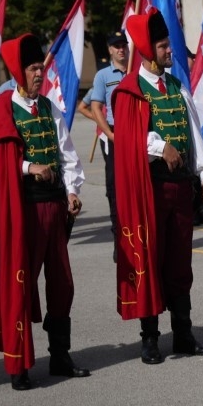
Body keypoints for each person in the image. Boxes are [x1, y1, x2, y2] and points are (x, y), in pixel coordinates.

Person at [0, 34, 89, 390]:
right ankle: (19, 365)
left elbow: (67, 153)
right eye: (33, 68)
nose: (40, 74)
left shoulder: (50, 107)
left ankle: (60, 355)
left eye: (41, 67)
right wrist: (30, 168)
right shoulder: (2, 108)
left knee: (62, 284)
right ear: (18, 71)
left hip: (54, 209)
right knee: (21, 286)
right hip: (23, 212)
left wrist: (72, 191)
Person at [113, 10, 203, 364]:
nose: (169, 50)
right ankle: (150, 338)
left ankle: (183, 334)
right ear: (146, 51)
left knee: (179, 263)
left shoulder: (176, 87)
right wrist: (160, 147)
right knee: (151, 261)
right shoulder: (130, 91)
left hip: (180, 188)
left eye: (168, 44)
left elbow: (193, 134)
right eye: (162, 45)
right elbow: (128, 140)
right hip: (150, 190)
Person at [85, 31, 129, 255]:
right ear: (110, 50)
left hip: (137, 134)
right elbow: (94, 107)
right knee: (115, 188)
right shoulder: (103, 76)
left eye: (123, 45)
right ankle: (118, 240)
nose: (121, 49)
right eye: (116, 46)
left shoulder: (136, 71)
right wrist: (109, 135)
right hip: (115, 133)